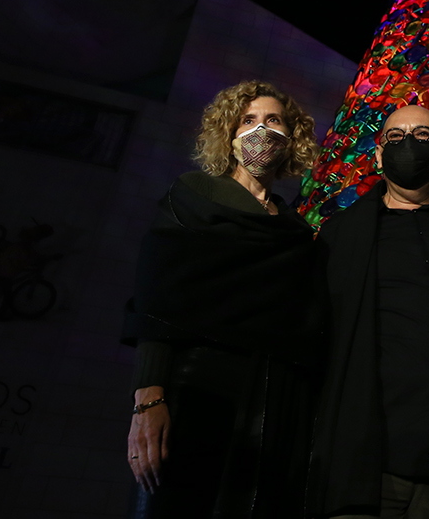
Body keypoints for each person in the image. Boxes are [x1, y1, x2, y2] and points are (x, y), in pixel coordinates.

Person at [123, 80, 323, 518]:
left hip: (270, 399)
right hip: (196, 388)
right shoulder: (193, 196)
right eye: (248, 120)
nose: (261, 131)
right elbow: (157, 302)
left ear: (293, 137)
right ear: (228, 134)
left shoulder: (294, 230)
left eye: (273, 120)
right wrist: (149, 399)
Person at [308, 104, 429, 519]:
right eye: (395, 137)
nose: (408, 144)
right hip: (363, 461)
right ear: (378, 154)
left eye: (423, 136)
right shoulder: (338, 238)